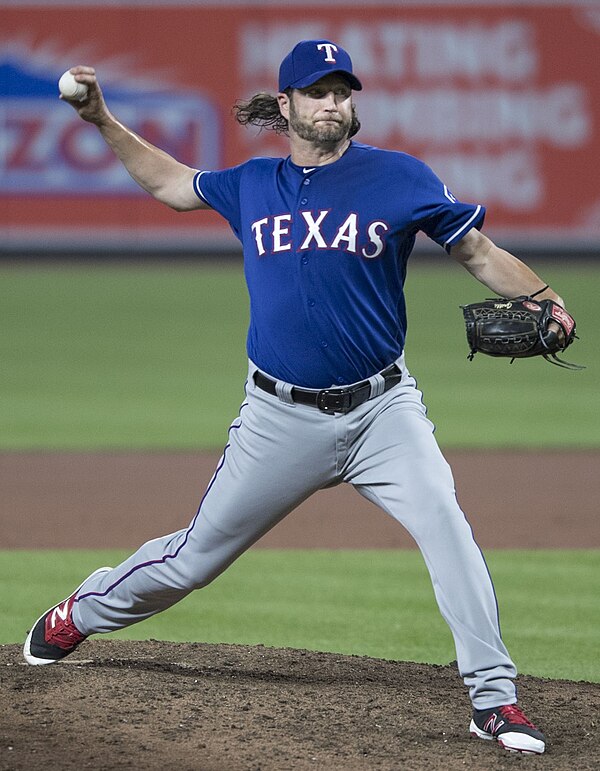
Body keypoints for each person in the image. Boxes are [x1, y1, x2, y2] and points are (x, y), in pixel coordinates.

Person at [24, 40, 559, 755]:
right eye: (318, 92)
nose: (334, 102)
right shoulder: (252, 184)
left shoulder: (398, 178)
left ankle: (495, 700)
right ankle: (83, 609)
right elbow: (172, 184)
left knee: (447, 528)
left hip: (383, 412)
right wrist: (99, 118)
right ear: (287, 106)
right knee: (192, 559)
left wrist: (546, 295)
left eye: (342, 91)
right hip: (279, 417)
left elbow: (478, 253)